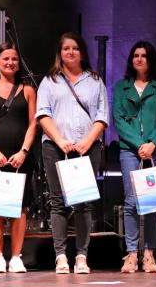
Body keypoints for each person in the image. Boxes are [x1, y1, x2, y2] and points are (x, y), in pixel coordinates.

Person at [37, 33, 108, 274]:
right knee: (58, 202)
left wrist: (87, 141)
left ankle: (81, 256)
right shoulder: (49, 81)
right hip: (55, 147)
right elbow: (43, 113)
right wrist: (60, 140)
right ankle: (60, 256)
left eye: (75, 48)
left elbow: (102, 116)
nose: (70, 52)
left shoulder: (95, 81)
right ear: (60, 53)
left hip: (88, 147)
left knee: (83, 203)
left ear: (82, 52)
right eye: (66, 48)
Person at [112, 41, 156, 273]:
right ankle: (131, 254)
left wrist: (152, 143)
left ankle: (149, 253)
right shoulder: (122, 86)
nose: (139, 59)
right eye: (136, 55)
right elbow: (118, 119)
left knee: (153, 202)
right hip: (131, 149)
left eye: (144, 55)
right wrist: (140, 144)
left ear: (151, 60)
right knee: (131, 201)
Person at [0, 43, 37, 273]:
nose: (10, 62)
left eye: (14, 59)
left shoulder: (28, 90)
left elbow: (33, 123)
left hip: (20, 155)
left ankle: (15, 257)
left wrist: (24, 151)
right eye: (6, 58)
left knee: (20, 207)